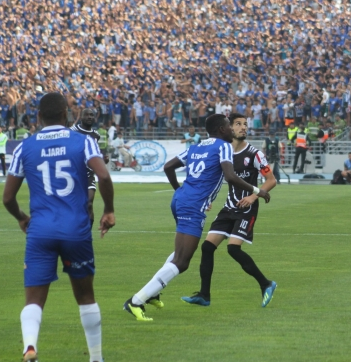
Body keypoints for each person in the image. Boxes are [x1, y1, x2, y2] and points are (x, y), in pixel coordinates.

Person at [123, 114, 270, 322]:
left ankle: (153, 292)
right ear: (221, 129)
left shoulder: (197, 146)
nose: (231, 130)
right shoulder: (224, 146)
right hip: (193, 206)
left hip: (180, 200)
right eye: (229, 126)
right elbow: (230, 177)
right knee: (182, 262)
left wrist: (180, 191)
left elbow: (168, 167)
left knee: (179, 251)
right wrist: (258, 191)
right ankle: (136, 301)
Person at [2, 92, 115, 362]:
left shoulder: (24, 147)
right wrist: (108, 210)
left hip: (40, 231)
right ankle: (96, 358)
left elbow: (7, 198)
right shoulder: (83, 142)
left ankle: (30, 346)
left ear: (39, 117)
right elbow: (103, 175)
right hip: (75, 229)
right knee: (86, 296)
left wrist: (21, 217)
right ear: (67, 114)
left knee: (34, 300)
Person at [181, 113, 278, 307]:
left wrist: (252, 197)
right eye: (239, 124)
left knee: (233, 248)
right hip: (229, 207)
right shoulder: (223, 153)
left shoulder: (254, 154)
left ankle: (266, 284)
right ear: (229, 128)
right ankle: (204, 295)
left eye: (245, 124)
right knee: (207, 247)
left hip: (246, 209)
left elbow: (271, 180)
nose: (244, 127)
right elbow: (214, 180)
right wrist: (207, 200)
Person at [70, 108, 103, 227]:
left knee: (88, 204)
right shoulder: (73, 131)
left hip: (88, 175)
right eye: (87, 115)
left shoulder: (96, 135)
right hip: (73, 174)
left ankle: (86, 235)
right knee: (73, 207)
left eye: (92, 115)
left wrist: (102, 159)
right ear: (81, 116)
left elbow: (95, 154)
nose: (89, 117)